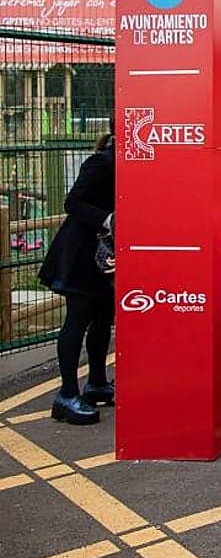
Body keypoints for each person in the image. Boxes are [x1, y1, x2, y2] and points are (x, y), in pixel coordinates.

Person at [39, 127, 116, 425]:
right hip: (81, 253)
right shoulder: (101, 162)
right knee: (77, 318)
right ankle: (67, 394)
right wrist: (108, 218)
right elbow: (73, 203)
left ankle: (96, 382)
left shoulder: (131, 164)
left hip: (105, 255)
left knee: (103, 317)